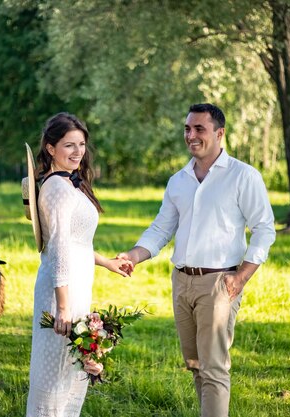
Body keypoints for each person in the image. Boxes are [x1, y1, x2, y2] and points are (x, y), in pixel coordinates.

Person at [118, 103, 276, 417]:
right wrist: (134, 256)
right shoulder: (179, 180)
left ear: (220, 134)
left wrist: (241, 276)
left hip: (219, 282)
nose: (191, 135)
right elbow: (162, 227)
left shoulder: (243, 176)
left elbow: (264, 229)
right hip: (181, 281)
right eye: (188, 129)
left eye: (199, 129)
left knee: (214, 368)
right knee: (194, 364)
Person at [26, 112, 131, 417]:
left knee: (71, 374)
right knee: (54, 376)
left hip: (76, 286)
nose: (77, 152)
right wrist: (61, 307)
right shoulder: (57, 188)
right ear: (50, 148)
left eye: (81, 144)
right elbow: (57, 247)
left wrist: (106, 263)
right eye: (68, 145)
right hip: (62, 292)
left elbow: (76, 244)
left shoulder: (70, 184)